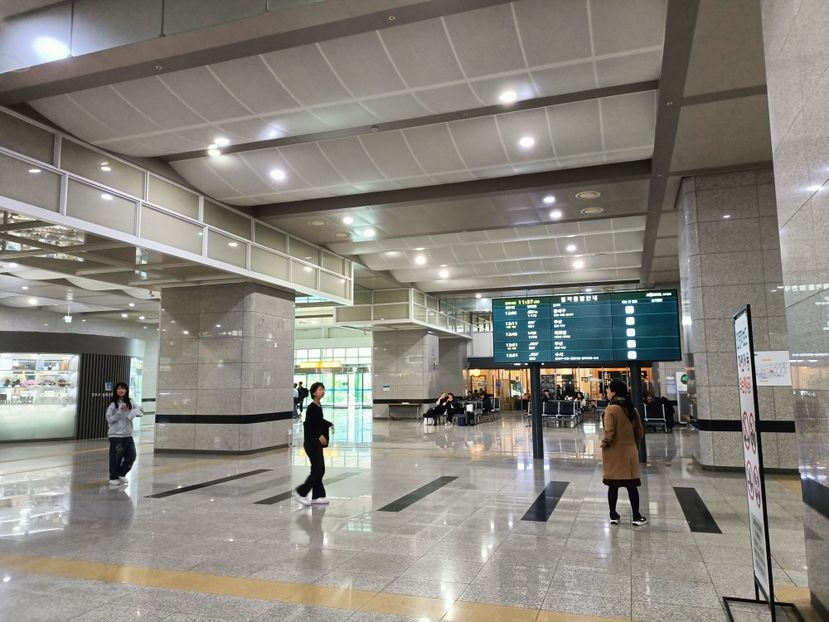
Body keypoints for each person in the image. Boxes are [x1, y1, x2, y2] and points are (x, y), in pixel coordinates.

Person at [601, 379, 647, 526]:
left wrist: (604, 443)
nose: (607, 392)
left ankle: (613, 515)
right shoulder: (632, 409)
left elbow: (610, 431)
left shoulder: (611, 409)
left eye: (608, 389)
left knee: (613, 485)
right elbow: (639, 432)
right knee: (631, 486)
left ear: (613, 391)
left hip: (614, 452)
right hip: (629, 452)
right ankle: (636, 516)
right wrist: (632, 444)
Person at [294, 382, 333, 506]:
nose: (323, 391)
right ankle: (301, 493)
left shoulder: (318, 405)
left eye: (323, 389)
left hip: (315, 443)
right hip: (312, 443)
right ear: (314, 392)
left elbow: (319, 421)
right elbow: (309, 425)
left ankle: (317, 496)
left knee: (319, 469)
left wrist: (329, 424)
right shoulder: (312, 408)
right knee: (318, 469)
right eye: (320, 389)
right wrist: (319, 436)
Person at [105, 382, 142, 486]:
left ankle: (121, 473)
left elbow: (140, 411)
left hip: (128, 435)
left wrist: (134, 412)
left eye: (123, 388)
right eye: (119, 389)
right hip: (116, 436)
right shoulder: (113, 404)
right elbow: (109, 419)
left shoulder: (130, 402)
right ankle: (113, 477)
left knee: (132, 455)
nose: (121, 390)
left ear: (126, 390)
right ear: (116, 391)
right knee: (116, 456)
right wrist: (119, 413)